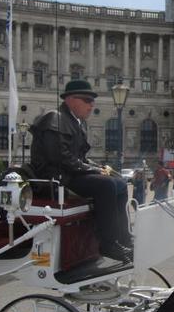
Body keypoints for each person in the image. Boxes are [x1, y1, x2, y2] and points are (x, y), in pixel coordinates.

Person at [30, 79, 133, 263]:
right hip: (57, 179)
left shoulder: (73, 122)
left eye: (92, 100)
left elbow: (79, 157)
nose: (91, 105)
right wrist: (92, 169)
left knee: (120, 184)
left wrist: (98, 168)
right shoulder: (55, 119)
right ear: (70, 99)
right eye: (86, 100)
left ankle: (123, 238)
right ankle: (107, 244)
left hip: (70, 175)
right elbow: (59, 157)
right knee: (106, 186)